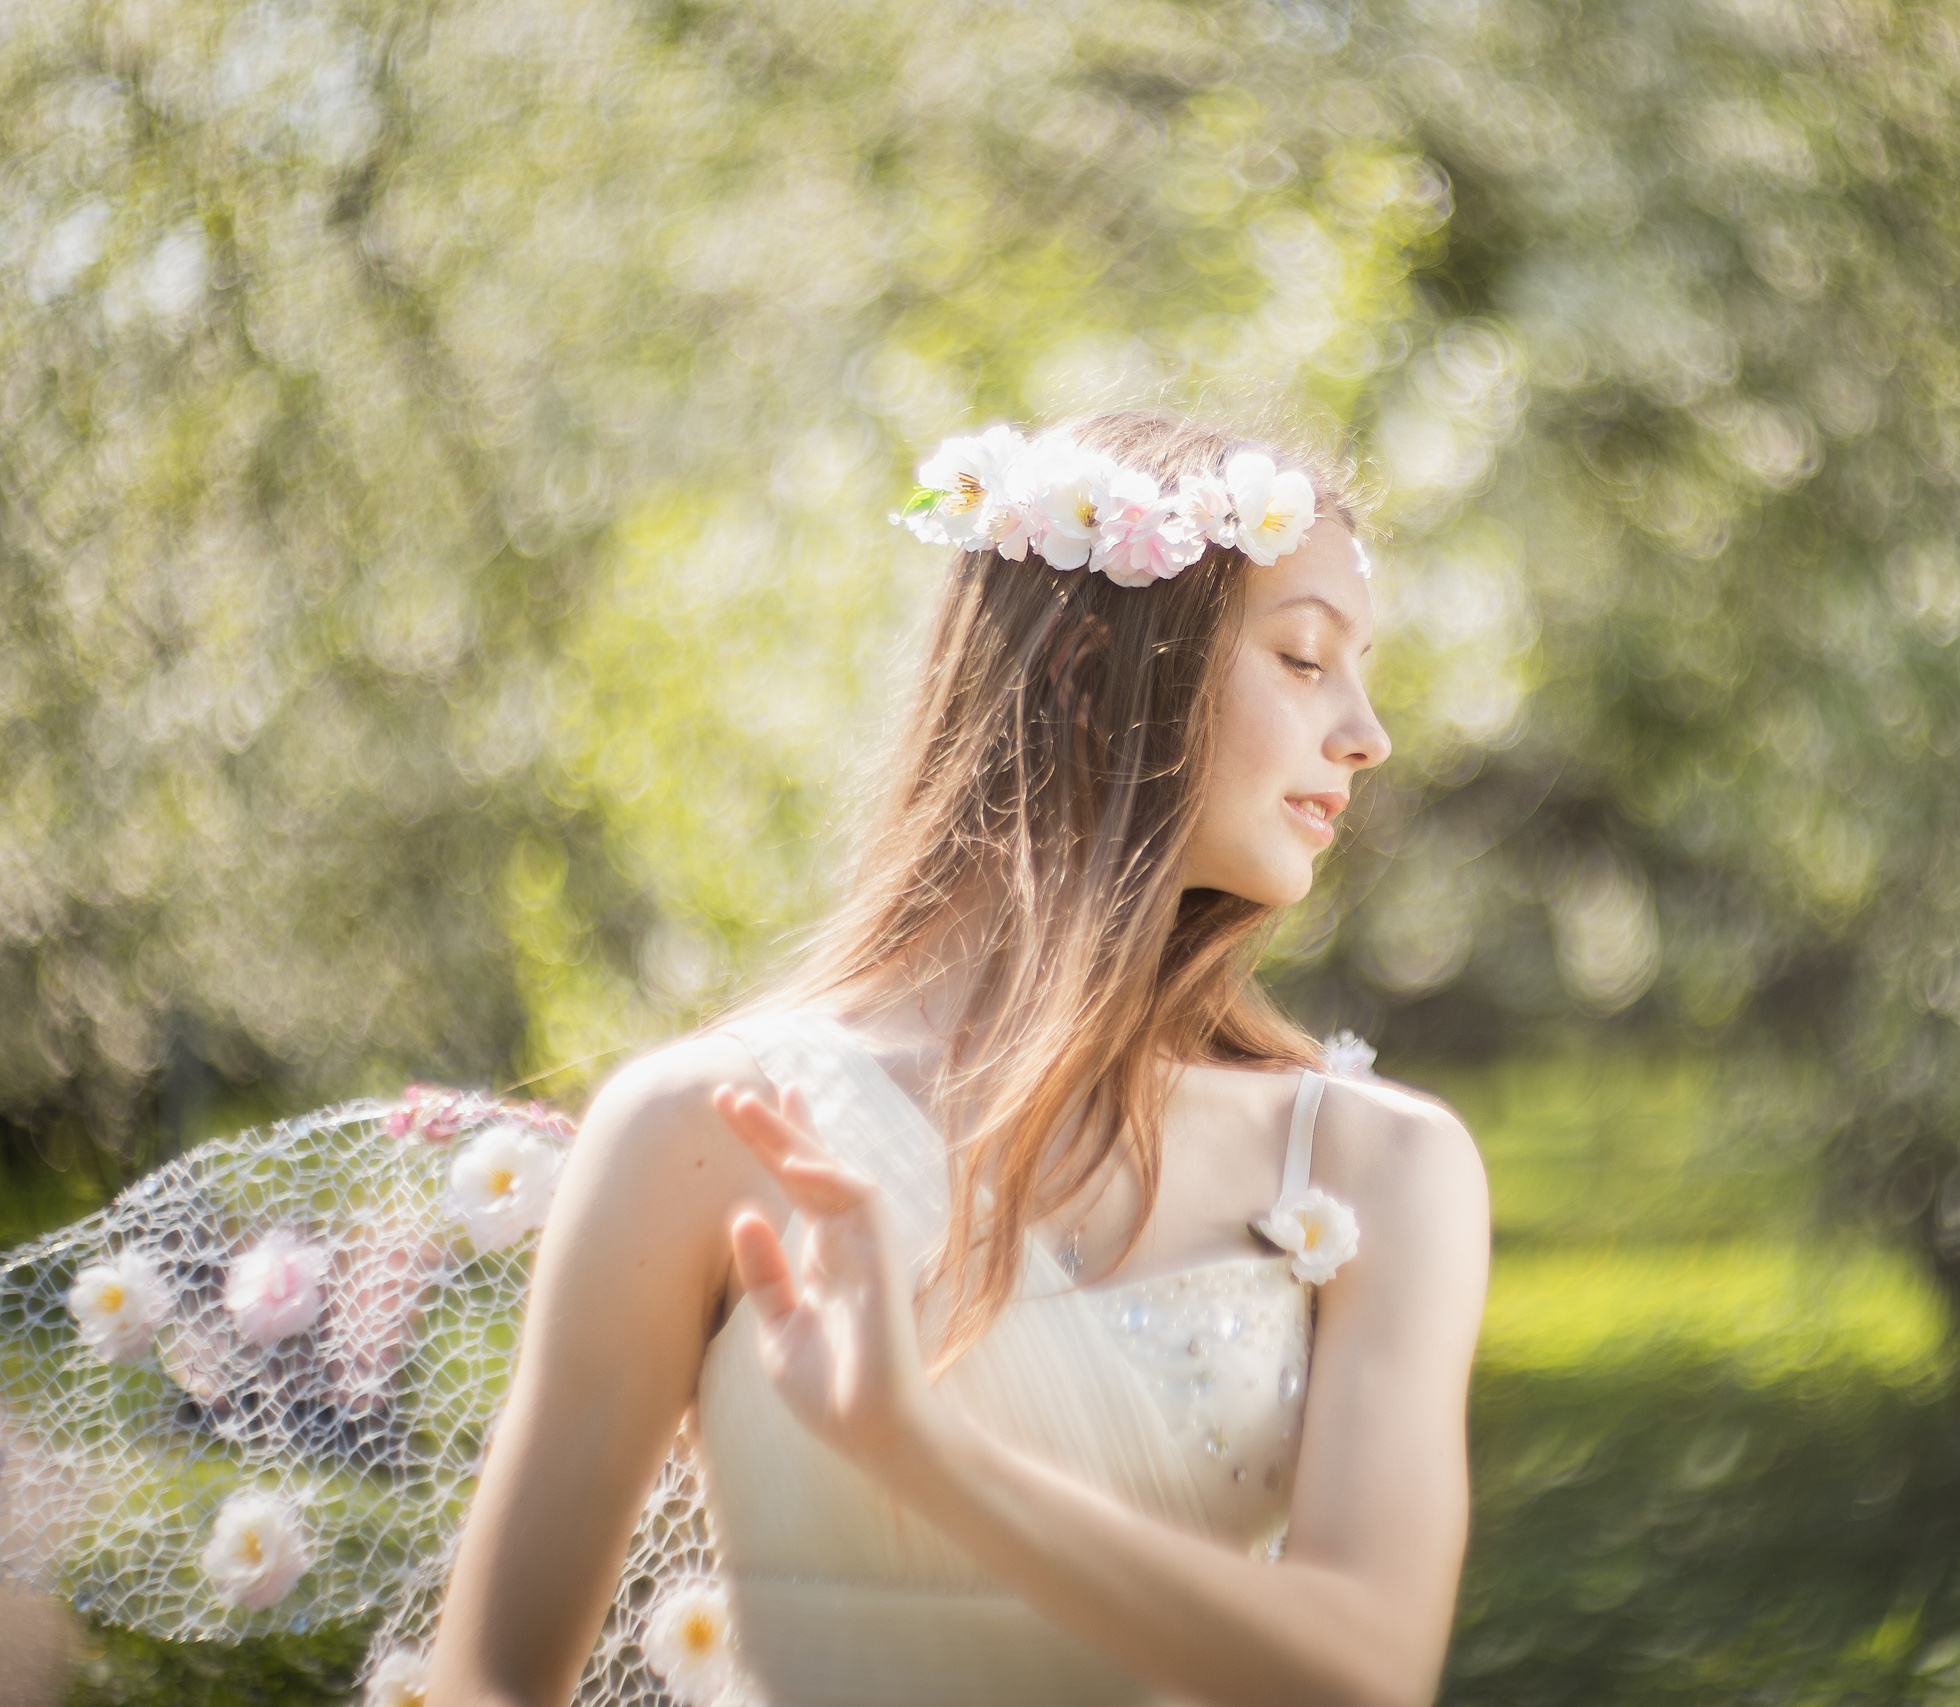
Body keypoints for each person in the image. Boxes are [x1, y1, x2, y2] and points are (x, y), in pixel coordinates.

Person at [418, 407, 1492, 1706]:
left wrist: (915, 1449)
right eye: (1307, 659)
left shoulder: (1384, 1165)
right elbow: (486, 1688)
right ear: (1087, 670)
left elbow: (1368, 1674)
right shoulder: (699, 1128)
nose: (1368, 733)